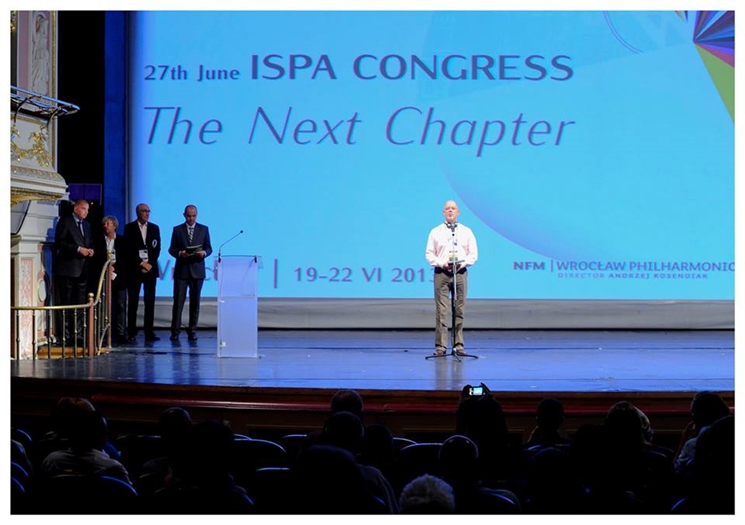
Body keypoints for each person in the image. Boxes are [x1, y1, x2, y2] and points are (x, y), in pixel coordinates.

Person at [425, 200, 478, 356]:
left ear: (458, 212)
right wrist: (441, 263)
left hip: (460, 272)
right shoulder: (435, 232)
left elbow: (473, 254)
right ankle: (441, 346)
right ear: (443, 212)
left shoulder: (466, 231)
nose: (450, 211)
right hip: (441, 273)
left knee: (459, 309)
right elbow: (429, 254)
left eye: (453, 208)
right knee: (442, 310)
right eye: (447, 208)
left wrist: (462, 264)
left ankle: (458, 345)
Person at [53, 199, 95, 344]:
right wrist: (78, 249)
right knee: (66, 302)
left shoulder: (87, 225)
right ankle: (64, 335)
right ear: (76, 209)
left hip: (83, 270)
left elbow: (89, 242)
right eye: (84, 209)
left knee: (80, 302)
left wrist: (90, 250)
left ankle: (77, 334)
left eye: (87, 210)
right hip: (67, 269)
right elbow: (60, 243)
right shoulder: (65, 222)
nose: (86, 212)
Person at [168, 205, 212, 342]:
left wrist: (203, 253)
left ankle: (192, 331)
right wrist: (180, 253)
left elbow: (209, 248)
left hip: (197, 271)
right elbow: (171, 249)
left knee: (195, 303)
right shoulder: (177, 230)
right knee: (178, 302)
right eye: (189, 216)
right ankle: (175, 331)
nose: (191, 218)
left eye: (193, 216)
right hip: (182, 270)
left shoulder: (204, 229)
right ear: (184, 215)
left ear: (196, 215)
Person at [124, 203, 161, 343]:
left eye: (148, 211)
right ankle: (131, 331)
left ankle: (149, 332)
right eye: (144, 211)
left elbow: (157, 248)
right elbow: (129, 249)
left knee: (149, 302)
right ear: (137, 212)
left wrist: (149, 263)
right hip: (135, 270)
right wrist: (141, 263)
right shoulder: (129, 228)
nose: (147, 213)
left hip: (150, 270)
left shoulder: (154, 228)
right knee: (133, 301)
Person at [92, 215, 127, 346]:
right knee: (102, 306)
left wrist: (114, 269)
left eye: (108, 224)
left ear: (115, 226)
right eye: (104, 224)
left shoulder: (122, 241)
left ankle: (121, 333)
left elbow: (126, 258)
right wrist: (106, 267)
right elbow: (95, 259)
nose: (105, 226)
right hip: (103, 277)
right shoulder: (98, 241)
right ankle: (103, 333)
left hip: (119, 278)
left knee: (120, 306)